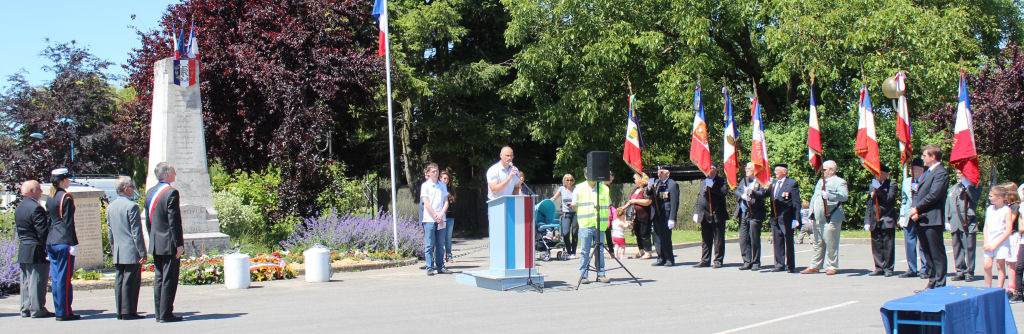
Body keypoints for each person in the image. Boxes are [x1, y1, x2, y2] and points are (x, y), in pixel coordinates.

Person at [145, 162, 185, 322]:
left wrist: (153, 237)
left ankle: (159, 312)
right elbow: (174, 221)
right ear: (167, 174)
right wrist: (179, 244)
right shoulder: (171, 193)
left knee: (159, 278)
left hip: (156, 242)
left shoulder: (150, 193)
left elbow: (149, 221)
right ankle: (166, 313)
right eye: (173, 172)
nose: (175, 174)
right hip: (169, 243)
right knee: (169, 279)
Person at [909, 144, 950, 290]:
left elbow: (934, 195)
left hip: (932, 218)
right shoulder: (927, 173)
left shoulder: (941, 173)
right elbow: (919, 193)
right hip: (922, 217)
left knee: (936, 252)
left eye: (925, 155)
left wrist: (917, 208)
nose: (923, 158)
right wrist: (915, 210)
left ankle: (940, 283)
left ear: (933, 157)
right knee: (927, 251)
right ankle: (932, 281)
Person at [107, 176, 147, 320]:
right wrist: (142, 251)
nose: (133, 189)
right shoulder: (132, 206)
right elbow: (136, 232)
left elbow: (110, 231)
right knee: (131, 282)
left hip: (118, 249)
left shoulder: (111, 206)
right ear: (125, 189)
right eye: (132, 186)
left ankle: (120, 310)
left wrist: (113, 248)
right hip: (131, 250)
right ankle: (128, 311)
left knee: (119, 281)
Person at [802, 160, 848, 275]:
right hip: (817, 217)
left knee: (831, 242)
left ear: (832, 171)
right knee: (817, 243)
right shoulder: (820, 181)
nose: (822, 172)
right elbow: (815, 197)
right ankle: (815, 265)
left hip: (831, 217)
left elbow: (844, 196)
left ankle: (831, 266)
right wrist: (811, 213)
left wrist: (831, 195)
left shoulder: (839, 182)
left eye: (825, 170)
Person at [46, 167, 80, 321]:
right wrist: (73, 243)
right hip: (63, 241)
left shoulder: (50, 197)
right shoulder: (66, 197)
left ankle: (60, 308)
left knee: (57, 278)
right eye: (66, 179)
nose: (68, 181)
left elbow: (50, 221)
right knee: (64, 278)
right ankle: (63, 312)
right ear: (62, 180)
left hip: (52, 240)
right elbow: (68, 223)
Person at [15, 180, 53, 318]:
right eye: (39, 189)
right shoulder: (35, 208)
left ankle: (25, 308)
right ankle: (37, 308)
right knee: (37, 280)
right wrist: (47, 247)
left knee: (25, 281)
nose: (41, 192)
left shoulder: (20, 207)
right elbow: (42, 231)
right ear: (32, 191)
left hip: (24, 247)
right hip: (35, 247)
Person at [572, 171, 611, 283]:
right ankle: (584, 275)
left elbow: (607, 205)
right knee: (585, 251)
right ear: (585, 176)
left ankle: (601, 274)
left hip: (600, 224)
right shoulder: (579, 188)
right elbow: (575, 205)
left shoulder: (604, 188)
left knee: (600, 251)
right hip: (586, 224)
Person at [946, 169, 981, 282]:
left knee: (969, 248)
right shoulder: (954, 187)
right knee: (957, 248)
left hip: (967, 222)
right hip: (955, 221)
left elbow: (975, 199)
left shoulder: (974, 186)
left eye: (961, 173)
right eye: (957, 173)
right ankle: (960, 270)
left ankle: (970, 272)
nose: (958, 175)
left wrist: (968, 187)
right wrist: (947, 219)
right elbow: (948, 203)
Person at [693, 162, 728, 268]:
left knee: (718, 239)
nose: (709, 170)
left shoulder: (721, 181)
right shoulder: (703, 181)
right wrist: (696, 211)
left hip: (717, 214)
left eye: (711, 168)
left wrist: (712, 186)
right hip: (704, 214)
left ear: (716, 170)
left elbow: (723, 192)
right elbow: (700, 198)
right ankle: (705, 260)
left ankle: (718, 260)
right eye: (708, 168)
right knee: (706, 239)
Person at [899, 158, 930, 279]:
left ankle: (925, 269)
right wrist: (902, 215)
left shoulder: (926, 180)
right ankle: (911, 268)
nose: (914, 171)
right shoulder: (906, 182)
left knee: (923, 243)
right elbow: (904, 200)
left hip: (921, 215)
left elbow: (927, 198)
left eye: (917, 169)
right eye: (913, 169)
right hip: (909, 215)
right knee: (909, 243)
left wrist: (919, 210)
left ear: (922, 170)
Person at [866, 165, 898, 277]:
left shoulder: (892, 184)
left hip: (887, 218)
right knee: (876, 244)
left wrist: (878, 188)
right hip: (875, 218)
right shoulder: (872, 185)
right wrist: (867, 220)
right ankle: (879, 267)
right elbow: (870, 203)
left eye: (882, 173)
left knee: (888, 244)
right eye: (878, 173)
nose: (880, 176)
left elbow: (889, 198)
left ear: (886, 174)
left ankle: (888, 268)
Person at [735, 162, 768, 270]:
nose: (747, 170)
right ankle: (747, 261)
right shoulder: (743, 180)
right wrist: (742, 196)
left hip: (755, 212)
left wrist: (752, 192)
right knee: (743, 238)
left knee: (754, 238)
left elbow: (763, 194)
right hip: (744, 212)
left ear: (755, 170)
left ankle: (756, 262)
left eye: (749, 168)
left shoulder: (759, 181)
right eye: (746, 168)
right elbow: (736, 191)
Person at [768, 163, 800, 273]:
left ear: (784, 172)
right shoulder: (774, 184)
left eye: (777, 170)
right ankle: (779, 264)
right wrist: (766, 186)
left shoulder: (791, 183)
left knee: (788, 241)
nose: (775, 172)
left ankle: (791, 265)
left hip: (787, 217)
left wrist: (797, 218)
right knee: (777, 240)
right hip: (775, 216)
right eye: (775, 170)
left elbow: (796, 202)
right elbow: (765, 195)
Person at [420, 163, 450, 276]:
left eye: (437, 171)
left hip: (441, 218)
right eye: (433, 171)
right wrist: (435, 215)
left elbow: (446, 201)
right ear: (428, 173)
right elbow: (426, 203)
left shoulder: (442, 185)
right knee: (429, 244)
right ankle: (429, 266)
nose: (435, 173)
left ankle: (440, 266)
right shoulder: (425, 186)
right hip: (429, 219)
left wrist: (441, 214)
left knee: (440, 244)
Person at [981, 184, 1013, 289]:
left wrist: (995, 245)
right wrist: (986, 242)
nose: (989, 198)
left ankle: (999, 288)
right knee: (987, 265)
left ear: (999, 197)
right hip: (990, 241)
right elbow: (986, 226)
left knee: (1000, 266)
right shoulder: (990, 209)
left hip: (1001, 242)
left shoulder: (1006, 210)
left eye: (991, 196)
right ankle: (987, 287)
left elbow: (1008, 230)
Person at [650, 165, 679, 267]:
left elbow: (674, 203)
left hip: (666, 215)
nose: (659, 173)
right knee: (657, 238)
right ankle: (660, 257)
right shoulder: (657, 183)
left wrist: (672, 218)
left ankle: (669, 258)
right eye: (658, 172)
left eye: (661, 172)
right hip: (657, 214)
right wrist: (650, 187)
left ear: (668, 173)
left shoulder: (672, 184)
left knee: (666, 238)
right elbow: (651, 195)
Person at [620, 172, 652, 259]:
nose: (634, 181)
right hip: (635, 215)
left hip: (644, 214)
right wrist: (623, 208)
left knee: (644, 233)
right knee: (638, 233)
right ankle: (641, 250)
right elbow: (631, 201)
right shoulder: (636, 189)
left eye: (635, 179)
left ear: (640, 180)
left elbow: (648, 202)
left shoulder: (646, 189)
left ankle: (648, 251)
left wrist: (636, 201)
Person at [551, 174, 579, 259]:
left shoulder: (576, 189)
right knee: (566, 233)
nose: (569, 182)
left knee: (574, 233)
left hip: (575, 212)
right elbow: (554, 198)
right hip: (565, 213)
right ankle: (568, 250)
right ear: (564, 181)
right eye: (567, 180)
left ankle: (573, 252)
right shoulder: (561, 189)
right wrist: (548, 202)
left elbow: (580, 200)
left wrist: (574, 204)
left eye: (571, 180)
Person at [1003, 183, 1021, 295]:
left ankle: (1013, 286)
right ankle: (1010, 284)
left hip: (1014, 236)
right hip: (1008, 236)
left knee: (1013, 261)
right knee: (1008, 262)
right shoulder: (1008, 206)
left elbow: (1011, 220)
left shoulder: (1015, 206)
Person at [440, 169, 456, 263]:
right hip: (441, 216)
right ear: (440, 179)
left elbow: (453, 203)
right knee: (440, 237)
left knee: (448, 237)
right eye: (444, 178)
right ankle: (440, 256)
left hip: (450, 216)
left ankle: (449, 255)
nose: (446, 180)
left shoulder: (450, 190)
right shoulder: (438, 189)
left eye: (447, 179)